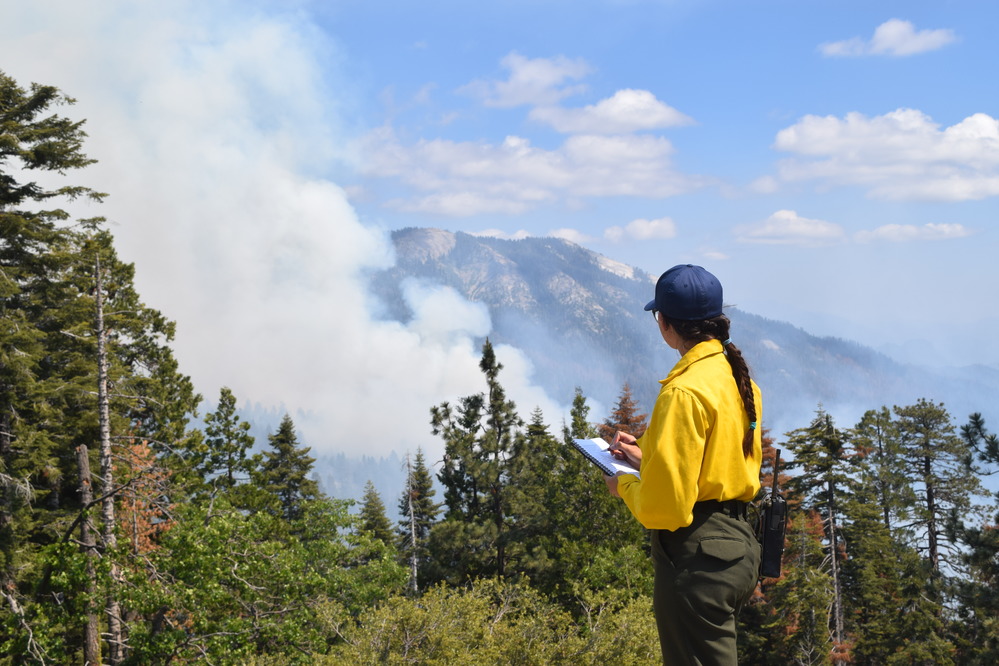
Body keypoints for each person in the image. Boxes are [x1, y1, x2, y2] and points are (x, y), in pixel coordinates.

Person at [603, 264, 762, 666]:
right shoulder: (735, 377)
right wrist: (646, 458)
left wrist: (623, 484)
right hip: (738, 547)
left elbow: (666, 509)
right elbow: (720, 463)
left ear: (664, 323)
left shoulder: (683, 391)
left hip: (698, 556)